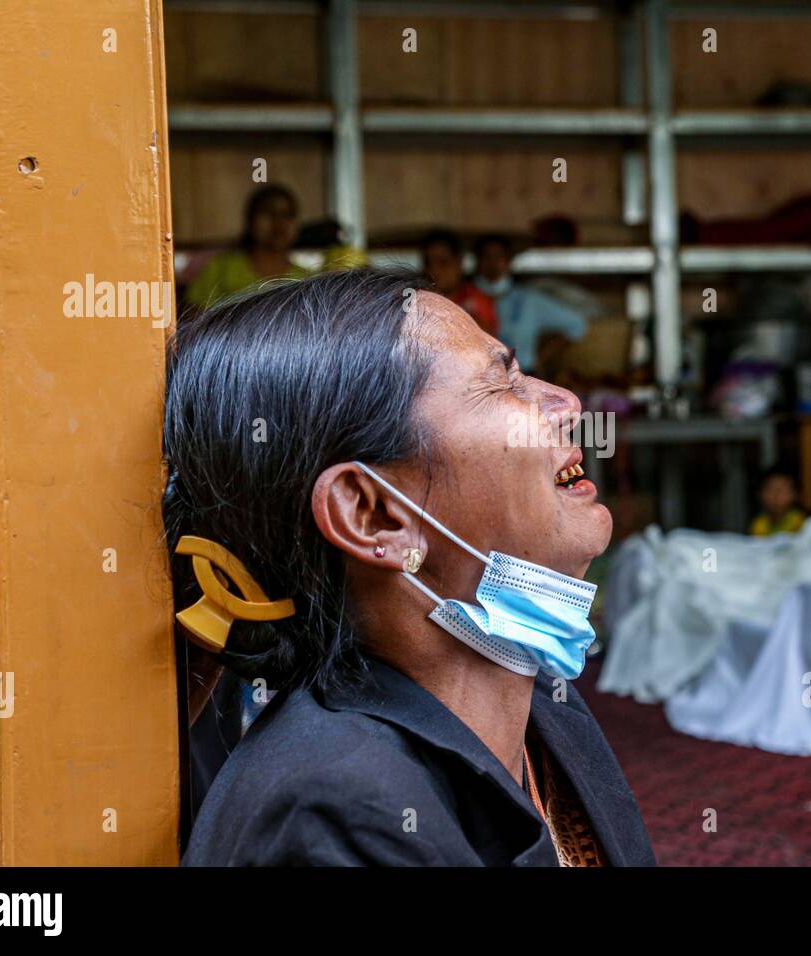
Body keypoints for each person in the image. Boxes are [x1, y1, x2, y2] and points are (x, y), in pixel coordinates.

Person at [168, 269, 654, 866]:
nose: (565, 404)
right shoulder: (333, 816)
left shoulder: (544, 710)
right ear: (373, 516)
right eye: (502, 382)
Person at [184, 185, 314, 310]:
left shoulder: (306, 280)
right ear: (250, 220)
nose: (278, 222)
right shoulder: (221, 269)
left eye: (287, 215)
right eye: (269, 212)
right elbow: (194, 317)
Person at [473, 233, 588, 375]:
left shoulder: (528, 300)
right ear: (477, 261)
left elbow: (577, 324)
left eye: (499, 257)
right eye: (486, 257)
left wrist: (537, 359)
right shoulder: (464, 297)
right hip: (477, 377)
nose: (493, 263)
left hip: (521, 376)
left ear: (509, 262)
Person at [419, 229, 498, 335]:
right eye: (428, 263)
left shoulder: (478, 300)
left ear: (459, 263)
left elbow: (489, 340)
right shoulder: (418, 301)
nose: (434, 271)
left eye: (443, 262)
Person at [749, 468, 806, 535]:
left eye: (781, 491)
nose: (775, 496)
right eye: (770, 490)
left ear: (794, 494)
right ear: (760, 494)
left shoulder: (800, 523)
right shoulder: (758, 525)